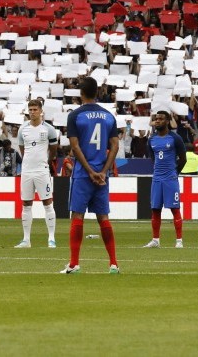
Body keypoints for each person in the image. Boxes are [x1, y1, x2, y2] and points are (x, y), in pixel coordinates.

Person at [61, 77, 120, 274]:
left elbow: (75, 146)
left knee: (77, 215)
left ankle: (74, 264)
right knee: (103, 217)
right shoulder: (109, 116)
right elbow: (115, 145)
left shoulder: (75, 115)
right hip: (102, 176)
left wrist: (89, 171)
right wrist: (103, 171)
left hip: (83, 175)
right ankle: (113, 264)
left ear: (81, 93)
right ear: (97, 93)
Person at [14, 99, 59, 249]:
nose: (32, 112)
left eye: (35, 109)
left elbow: (53, 148)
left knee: (47, 202)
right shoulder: (23, 129)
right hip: (26, 171)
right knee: (26, 204)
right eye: (30, 109)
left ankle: (51, 238)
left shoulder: (49, 129)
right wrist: (28, 161)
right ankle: (26, 240)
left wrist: (45, 161)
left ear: (41, 111)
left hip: (41, 171)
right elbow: (22, 149)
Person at [143, 111, 186, 249]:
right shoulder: (151, 139)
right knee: (155, 209)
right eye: (156, 119)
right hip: (157, 179)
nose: (157, 121)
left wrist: (174, 173)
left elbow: (183, 159)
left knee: (174, 209)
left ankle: (179, 241)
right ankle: (155, 240)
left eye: (161, 119)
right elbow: (153, 158)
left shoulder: (175, 138)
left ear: (168, 121)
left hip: (170, 179)